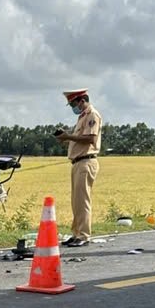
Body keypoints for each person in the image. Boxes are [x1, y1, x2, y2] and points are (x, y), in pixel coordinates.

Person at [56, 89, 102, 247]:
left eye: (73, 104)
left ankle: (83, 235)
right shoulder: (82, 117)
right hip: (77, 162)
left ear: (81, 101)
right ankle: (76, 233)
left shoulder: (92, 115)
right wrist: (67, 136)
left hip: (86, 161)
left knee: (83, 201)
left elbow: (90, 138)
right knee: (76, 201)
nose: (72, 108)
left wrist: (68, 136)